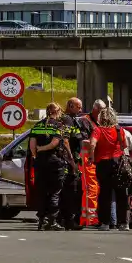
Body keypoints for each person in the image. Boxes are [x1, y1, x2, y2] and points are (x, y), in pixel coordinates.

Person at [29, 103, 74, 231]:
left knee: (42, 192)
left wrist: (37, 154)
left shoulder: (37, 125)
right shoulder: (58, 126)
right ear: (57, 111)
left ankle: (41, 221)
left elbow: (32, 145)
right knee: (55, 192)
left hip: (40, 163)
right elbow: (56, 143)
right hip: (55, 163)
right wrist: (71, 160)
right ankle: (52, 221)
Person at [87, 106, 129, 231]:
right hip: (118, 162)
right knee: (121, 193)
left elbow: (92, 143)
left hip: (103, 164)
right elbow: (124, 145)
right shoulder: (118, 129)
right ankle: (123, 223)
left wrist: (91, 157)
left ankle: (105, 223)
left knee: (105, 194)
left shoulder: (98, 130)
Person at [60, 97, 92, 230]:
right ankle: (68, 221)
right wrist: (72, 160)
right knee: (70, 191)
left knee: (74, 190)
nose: (80, 110)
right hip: (69, 161)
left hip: (75, 160)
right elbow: (65, 140)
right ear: (70, 105)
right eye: (78, 107)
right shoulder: (67, 119)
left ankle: (69, 220)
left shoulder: (75, 120)